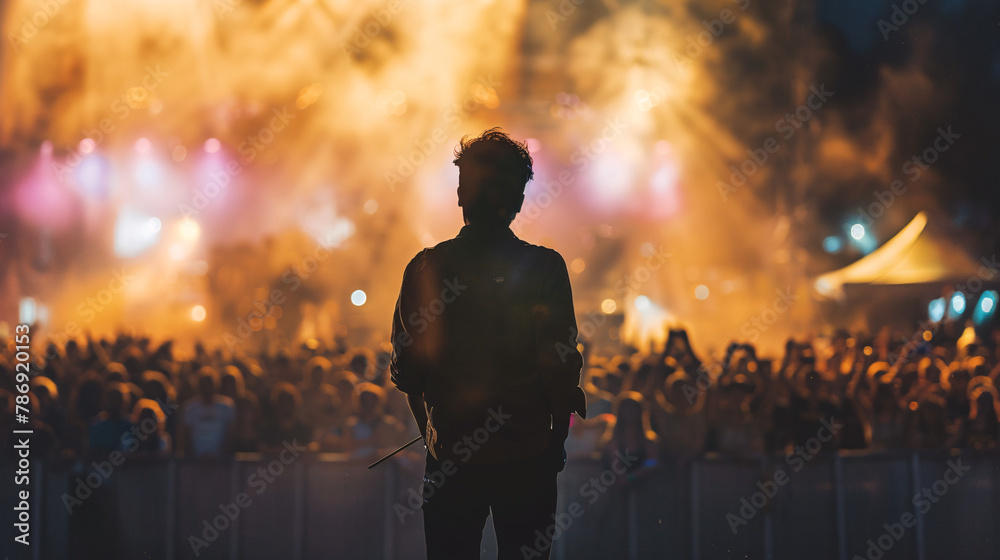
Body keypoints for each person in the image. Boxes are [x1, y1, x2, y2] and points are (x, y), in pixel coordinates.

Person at [389, 128, 587, 560]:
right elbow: (558, 366)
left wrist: (435, 438)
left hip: (452, 462)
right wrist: (554, 446)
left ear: (461, 195)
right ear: (517, 200)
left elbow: (409, 373)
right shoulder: (544, 269)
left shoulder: (426, 268)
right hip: (528, 459)